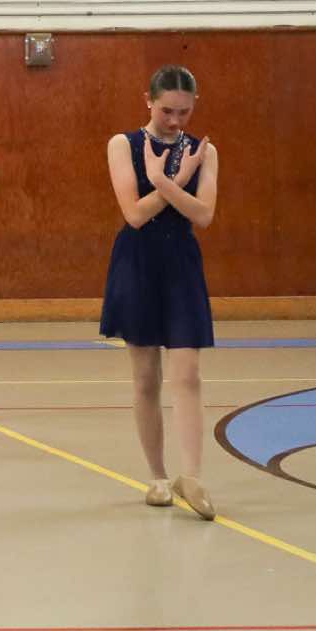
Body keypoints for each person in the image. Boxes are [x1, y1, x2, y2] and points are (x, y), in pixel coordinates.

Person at [101, 66, 220, 518]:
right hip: (138, 262)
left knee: (188, 373)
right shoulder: (122, 144)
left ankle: (193, 475)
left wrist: (167, 180)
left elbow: (203, 215)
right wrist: (172, 182)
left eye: (184, 112)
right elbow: (133, 214)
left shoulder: (204, 152)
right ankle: (158, 476)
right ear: (148, 101)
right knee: (146, 377)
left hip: (181, 263)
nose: (175, 121)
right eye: (167, 110)